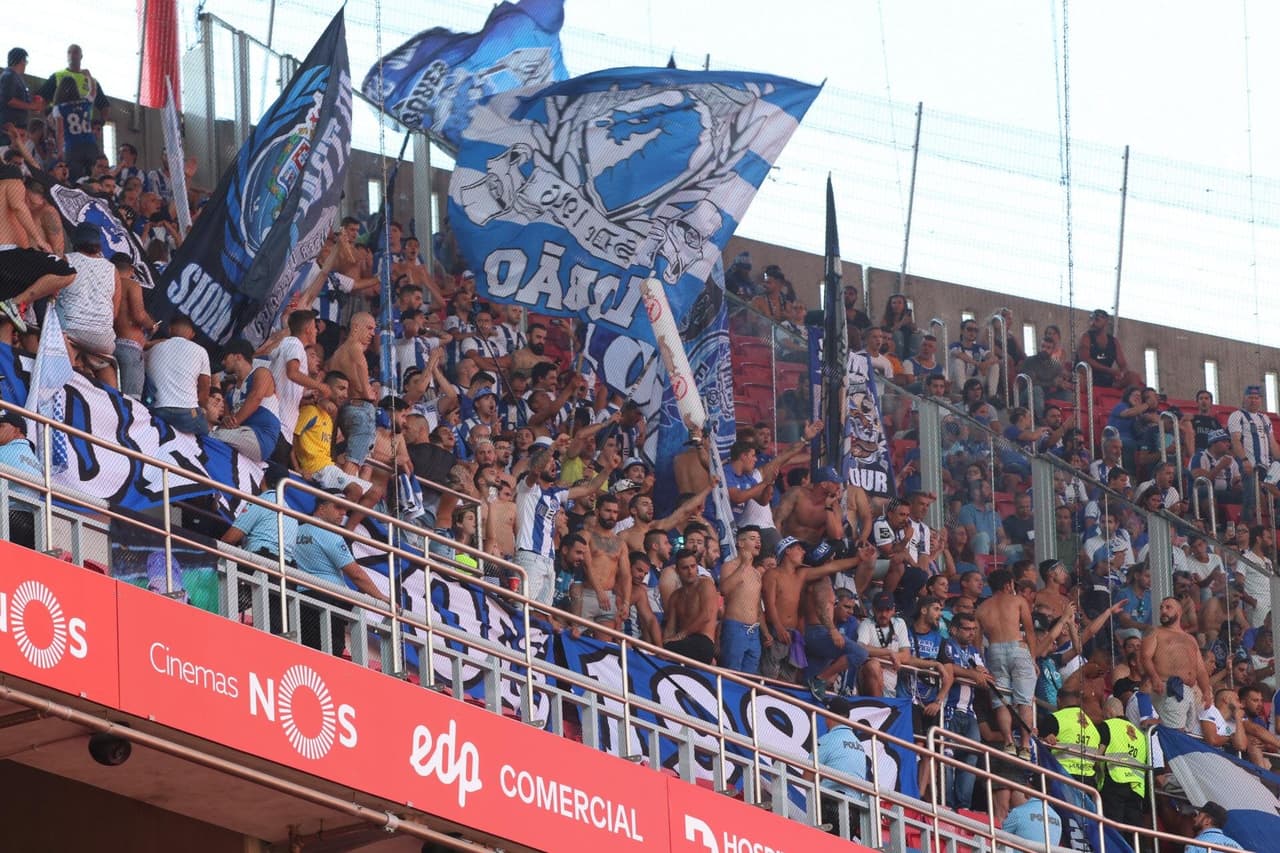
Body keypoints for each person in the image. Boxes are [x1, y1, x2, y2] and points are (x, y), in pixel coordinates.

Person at [515, 446, 617, 606]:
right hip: (530, 556)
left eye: (553, 461)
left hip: (548, 560)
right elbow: (534, 472)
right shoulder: (527, 489)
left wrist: (609, 469)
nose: (553, 464)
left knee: (542, 612)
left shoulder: (556, 493)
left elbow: (590, 488)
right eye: (548, 462)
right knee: (524, 608)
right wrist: (552, 447)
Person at [293, 491, 390, 655]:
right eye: (338, 507)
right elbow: (356, 574)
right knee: (330, 656)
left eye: (345, 509)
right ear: (321, 508)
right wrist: (380, 597)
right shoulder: (328, 533)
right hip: (326, 602)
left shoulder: (297, 530)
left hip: (300, 598)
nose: (343, 513)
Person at [977, 568, 1038, 755]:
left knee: (1001, 701)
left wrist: (982, 666)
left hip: (994, 651)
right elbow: (1029, 631)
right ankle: (1026, 745)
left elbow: (977, 644)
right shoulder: (1018, 601)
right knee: (1024, 701)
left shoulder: (981, 608)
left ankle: (1008, 742)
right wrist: (1033, 659)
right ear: (1008, 584)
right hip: (1018, 648)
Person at [59, 223, 122, 386]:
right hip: (103, 338)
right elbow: (115, 313)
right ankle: (113, 401)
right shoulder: (112, 269)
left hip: (73, 331)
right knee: (104, 363)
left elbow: (54, 294)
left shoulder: (67, 259)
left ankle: (70, 386)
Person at [1141, 597, 1213, 734]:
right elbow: (1145, 657)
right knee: (1176, 733)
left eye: (1168, 607)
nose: (1163, 611)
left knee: (1188, 733)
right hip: (1169, 688)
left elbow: (1201, 670)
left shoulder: (1190, 638)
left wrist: (1207, 692)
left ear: (1179, 612)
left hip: (1189, 691)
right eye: (1161, 608)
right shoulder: (1155, 631)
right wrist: (1155, 678)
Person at [213, 340, 280, 464]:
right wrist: (227, 420)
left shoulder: (261, 373)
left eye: (225, 357)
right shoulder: (230, 394)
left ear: (238, 356)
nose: (223, 362)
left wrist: (234, 422)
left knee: (211, 435)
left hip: (260, 437)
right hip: (239, 436)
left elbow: (256, 397)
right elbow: (227, 420)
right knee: (216, 434)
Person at [1228, 384, 1278, 524]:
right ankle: (1247, 529)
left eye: (1256, 398)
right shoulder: (1237, 416)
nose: (1253, 400)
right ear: (1244, 398)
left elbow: (1273, 444)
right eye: (1250, 397)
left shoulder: (1265, 418)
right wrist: (1244, 460)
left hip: (1266, 467)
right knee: (1250, 500)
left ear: (1260, 400)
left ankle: (1275, 523)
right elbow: (1236, 440)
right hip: (1249, 465)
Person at [719, 525, 766, 674]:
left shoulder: (757, 573)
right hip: (735, 628)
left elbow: (758, 606)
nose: (758, 542)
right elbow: (724, 590)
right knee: (732, 675)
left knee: (750, 678)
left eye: (759, 539)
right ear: (740, 543)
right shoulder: (729, 566)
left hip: (754, 631)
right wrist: (744, 564)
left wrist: (765, 632)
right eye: (753, 539)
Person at [663, 549, 718, 664]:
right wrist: (663, 644)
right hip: (683, 642)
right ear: (677, 571)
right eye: (685, 568)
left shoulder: (705, 584)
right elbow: (670, 628)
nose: (690, 571)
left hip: (703, 641)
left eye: (693, 566)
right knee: (662, 650)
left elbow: (706, 615)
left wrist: (681, 635)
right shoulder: (675, 596)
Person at [0, 411, 40, 549]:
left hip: (7, 518)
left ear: (17, 431)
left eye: (1, 426)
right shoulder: (35, 461)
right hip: (32, 524)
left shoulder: (4, 452)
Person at [1076, 308, 1141, 389]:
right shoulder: (1086, 337)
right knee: (1081, 373)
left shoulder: (1114, 341)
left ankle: (1131, 400)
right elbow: (1085, 359)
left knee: (1133, 377)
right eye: (1091, 319)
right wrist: (1110, 371)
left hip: (1107, 378)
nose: (1092, 323)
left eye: (1097, 319)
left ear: (1106, 321)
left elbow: (1123, 364)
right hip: (1088, 375)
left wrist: (1122, 374)